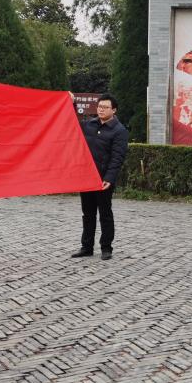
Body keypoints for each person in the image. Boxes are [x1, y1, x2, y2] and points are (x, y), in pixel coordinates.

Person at [72, 93, 129, 260]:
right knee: (88, 214)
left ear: (114, 110)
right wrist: (71, 104)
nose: (101, 110)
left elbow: (117, 157)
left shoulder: (119, 131)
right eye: (99, 107)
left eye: (105, 107)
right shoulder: (89, 124)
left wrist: (109, 178)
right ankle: (86, 247)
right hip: (87, 178)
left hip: (103, 180)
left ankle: (106, 247)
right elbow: (71, 122)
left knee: (105, 213)